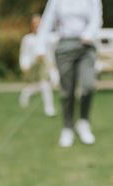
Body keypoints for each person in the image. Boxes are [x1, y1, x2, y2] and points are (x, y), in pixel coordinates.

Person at [36, 0, 103, 147]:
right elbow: (47, 22)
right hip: (64, 45)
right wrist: (40, 47)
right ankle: (67, 127)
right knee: (67, 92)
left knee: (88, 86)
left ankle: (83, 122)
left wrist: (88, 34)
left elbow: (96, 19)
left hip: (86, 46)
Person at [19, 14, 57, 117]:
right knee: (44, 85)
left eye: (39, 22)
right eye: (35, 23)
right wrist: (24, 65)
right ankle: (49, 109)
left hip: (48, 65)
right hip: (34, 66)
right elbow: (24, 54)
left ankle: (27, 92)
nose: (37, 25)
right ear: (31, 25)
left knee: (52, 83)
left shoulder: (49, 37)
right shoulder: (27, 39)